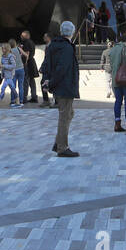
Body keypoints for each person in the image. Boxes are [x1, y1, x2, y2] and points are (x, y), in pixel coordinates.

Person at [44, 21, 80, 157]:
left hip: (60, 85)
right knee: (65, 116)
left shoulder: (53, 44)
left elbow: (47, 64)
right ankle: (62, 147)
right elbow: (62, 68)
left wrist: (48, 80)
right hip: (65, 85)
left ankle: (58, 142)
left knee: (69, 113)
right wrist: (51, 83)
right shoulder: (67, 47)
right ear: (72, 32)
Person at [0, 38, 23, 107]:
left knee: (3, 88)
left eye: (4, 49)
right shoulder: (3, 57)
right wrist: (2, 74)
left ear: (7, 49)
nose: (2, 50)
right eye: (2, 49)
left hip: (9, 76)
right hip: (6, 77)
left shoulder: (10, 56)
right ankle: (17, 100)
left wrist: (4, 66)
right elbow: (2, 67)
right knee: (13, 89)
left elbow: (13, 65)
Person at [20, 30, 39, 104]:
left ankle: (24, 98)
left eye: (22, 35)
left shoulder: (26, 43)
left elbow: (27, 54)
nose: (21, 37)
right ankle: (34, 97)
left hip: (28, 64)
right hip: (32, 63)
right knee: (31, 80)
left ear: (27, 36)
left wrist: (25, 63)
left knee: (26, 80)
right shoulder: (31, 42)